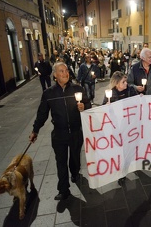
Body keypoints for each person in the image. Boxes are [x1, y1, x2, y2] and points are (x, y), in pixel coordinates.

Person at [29, 62, 91, 201]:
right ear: (55, 75)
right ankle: (63, 189)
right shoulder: (49, 93)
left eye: (67, 70)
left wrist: (84, 106)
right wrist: (35, 130)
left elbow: (88, 104)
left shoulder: (77, 89)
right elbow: (42, 114)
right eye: (61, 71)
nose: (65, 73)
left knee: (75, 158)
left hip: (75, 132)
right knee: (61, 162)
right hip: (59, 134)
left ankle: (75, 173)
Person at [102, 71, 138, 185]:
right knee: (120, 150)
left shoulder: (131, 90)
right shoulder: (110, 93)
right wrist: (107, 107)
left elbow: (136, 102)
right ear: (116, 83)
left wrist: (140, 98)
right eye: (123, 82)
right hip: (117, 127)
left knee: (129, 148)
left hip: (130, 125)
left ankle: (128, 166)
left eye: (126, 81)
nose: (126, 83)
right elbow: (103, 109)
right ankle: (122, 173)